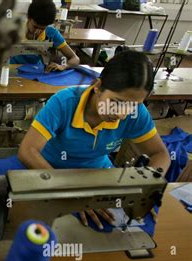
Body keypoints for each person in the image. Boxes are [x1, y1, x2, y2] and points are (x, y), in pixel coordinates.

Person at [18, 50, 171, 228]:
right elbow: (27, 151)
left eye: (133, 105)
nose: (122, 115)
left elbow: (160, 154)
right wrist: (70, 192)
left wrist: (147, 186)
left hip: (99, 175)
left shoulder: (135, 114)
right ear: (98, 86)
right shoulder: (64, 103)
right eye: (117, 102)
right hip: (53, 171)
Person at [11, 0, 80, 72]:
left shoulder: (51, 33)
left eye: (42, 28)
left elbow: (75, 58)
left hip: (36, 72)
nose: (37, 32)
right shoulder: (13, 28)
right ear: (29, 17)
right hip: (12, 70)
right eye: (35, 27)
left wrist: (64, 66)